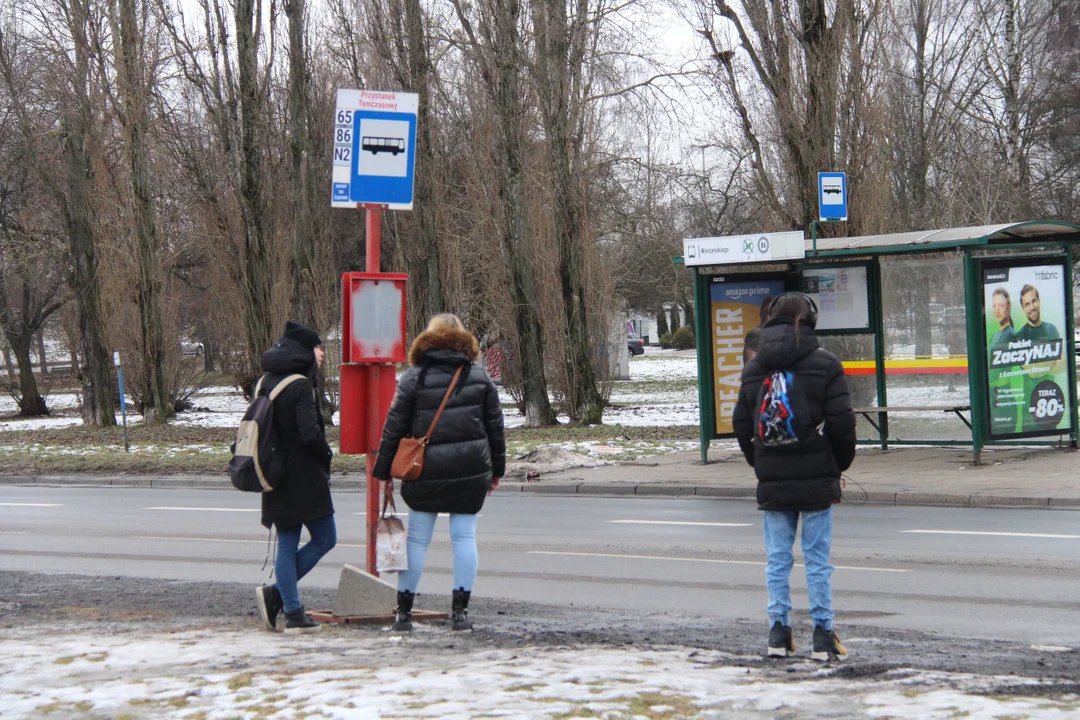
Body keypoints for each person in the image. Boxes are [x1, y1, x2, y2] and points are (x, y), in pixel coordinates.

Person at [732, 293, 856, 662]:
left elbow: (742, 424)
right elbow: (842, 423)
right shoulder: (826, 364)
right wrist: (837, 466)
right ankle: (822, 635)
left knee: (777, 558)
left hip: (772, 474)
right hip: (817, 475)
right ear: (811, 320)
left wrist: (761, 461)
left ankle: (778, 633)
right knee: (817, 559)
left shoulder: (754, 369)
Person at [371, 314, 506, 632]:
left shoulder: (413, 378)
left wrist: (385, 471)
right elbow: (495, 429)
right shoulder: (479, 376)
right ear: (461, 339)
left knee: (417, 541)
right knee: (464, 538)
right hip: (471, 469)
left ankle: (403, 614)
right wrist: (497, 470)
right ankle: (460, 613)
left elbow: (393, 429)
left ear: (428, 339)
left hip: (424, 471)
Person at [254, 321, 336, 634]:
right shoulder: (301, 385)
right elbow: (309, 433)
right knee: (326, 538)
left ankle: (289, 606)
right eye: (318, 348)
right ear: (304, 351)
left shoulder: (267, 381)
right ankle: (283, 600)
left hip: (274, 475)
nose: (321, 354)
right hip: (303, 478)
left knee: (287, 542)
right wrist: (326, 453)